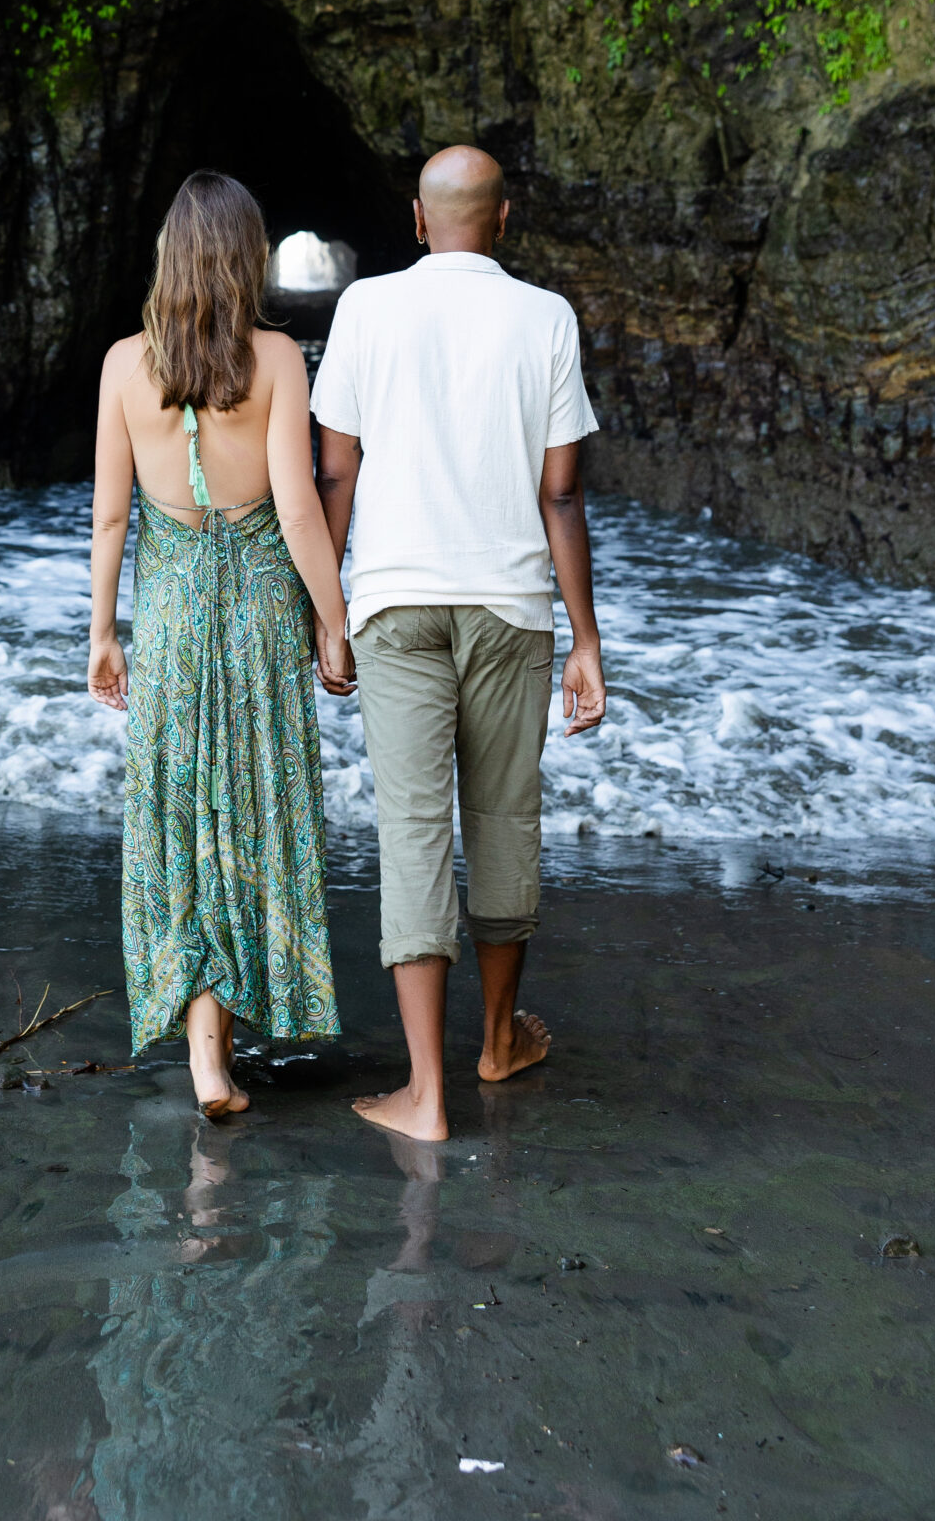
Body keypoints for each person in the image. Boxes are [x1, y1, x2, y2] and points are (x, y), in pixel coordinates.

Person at [311, 143, 606, 1143]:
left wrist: (326, 609)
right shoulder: (547, 317)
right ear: (506, 220)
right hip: (513, 607)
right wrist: (586, 641)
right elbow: (560, 490)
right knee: (502, 824)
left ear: (417, 217)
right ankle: (498, 1043)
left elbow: (335, 477)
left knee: (415, 835)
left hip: (395, 604)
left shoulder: (366, 309)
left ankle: (427, 1092)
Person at [88, 170, 355, 1116]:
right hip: (256, 613)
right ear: (246, 258)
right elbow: (293, 504)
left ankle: (207, 1054)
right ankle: (225, 1040)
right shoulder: (277, 358)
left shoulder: (125, 364)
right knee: (247, 810)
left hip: (165, 617)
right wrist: (333, 621)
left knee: (180, 813)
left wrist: (102, 633)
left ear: (168, 255)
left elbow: (112, 517)